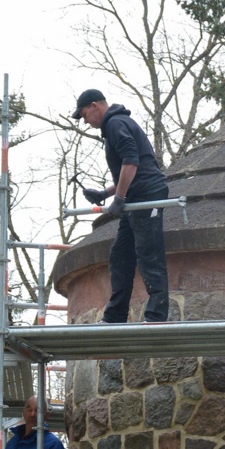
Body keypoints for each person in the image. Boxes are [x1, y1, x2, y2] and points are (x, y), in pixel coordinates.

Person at [73, 87, 170, 324]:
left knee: (149, 253)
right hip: (137, 196)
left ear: (95, 106)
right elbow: (132, 169)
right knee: (120, 256)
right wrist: (106, 193)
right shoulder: (116, 125)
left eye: (85, 115)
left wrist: (119, 198)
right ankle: (115, 316)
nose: (85, 122)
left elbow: (131, 162)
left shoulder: (116, 123)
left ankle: (156, 316)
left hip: (147, 195)